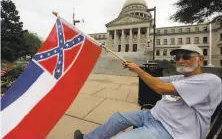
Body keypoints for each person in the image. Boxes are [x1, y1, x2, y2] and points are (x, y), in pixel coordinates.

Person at [74, 44, 222, 139]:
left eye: (187, 56)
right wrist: (136, 68)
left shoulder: (209, 81)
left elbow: (160, 88)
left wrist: (138, 70)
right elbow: (155, 80)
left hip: (174, 131)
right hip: (152, 115)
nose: (180, 60)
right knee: (117, 118)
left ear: (200, 60)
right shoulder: (181, 77)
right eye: (177, 57)